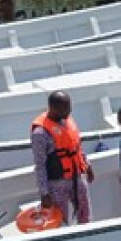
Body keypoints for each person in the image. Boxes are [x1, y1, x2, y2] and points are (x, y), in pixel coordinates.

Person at [31, 91, 94, 225]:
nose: (69, 111)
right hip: (57, 183)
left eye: (69, 107)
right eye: (65, 108)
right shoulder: (40, 133)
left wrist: (87, 165)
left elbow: (77, 146)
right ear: (53, 108)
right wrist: (44, 193)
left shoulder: (68, 120)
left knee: (85, 214)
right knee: (61, 220)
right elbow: (40, 165)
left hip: (77, 177)